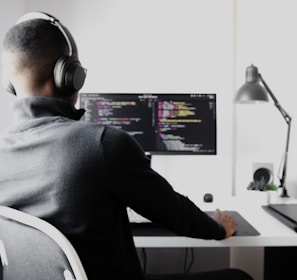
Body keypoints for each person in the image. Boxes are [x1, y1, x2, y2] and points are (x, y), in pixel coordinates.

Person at [0, 12, 253, 280]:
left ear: (11, 84)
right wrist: (217, 228)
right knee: (239, 276)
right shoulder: (101, 144)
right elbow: (174, 213)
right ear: (69, 75)